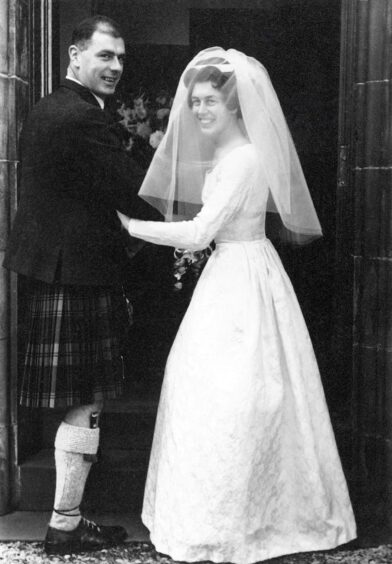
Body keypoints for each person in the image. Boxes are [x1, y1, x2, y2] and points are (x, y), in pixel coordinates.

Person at [117, 47, 357, 563]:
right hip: (235, 270)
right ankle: (214, 515)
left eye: (209, 102)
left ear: (234, 107)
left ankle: (245, 521)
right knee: (206, 385)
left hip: (241, 277)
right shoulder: (233, 156)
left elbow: (201, 231)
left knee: (243, 391)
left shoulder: (245, 159)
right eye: (195, 101)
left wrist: (132, 226)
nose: (200, 110)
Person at [3, 15, 159, 556]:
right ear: (74, 56)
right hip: (76, 271)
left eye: (120, 57)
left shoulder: (57, 108)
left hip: (64, 267)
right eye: (104, 56)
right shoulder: (80, 117)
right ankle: (63, 525)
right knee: (83, 398)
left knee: (81, 397)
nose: (115, 66)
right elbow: (132, 189)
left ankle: (67, 521)